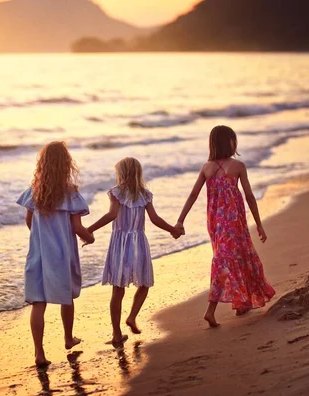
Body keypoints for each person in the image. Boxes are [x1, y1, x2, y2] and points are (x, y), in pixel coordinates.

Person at [175, 125, 275, 327]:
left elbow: (193, 195)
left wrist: (181, 220)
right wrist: (259, 224)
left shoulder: (207, 167)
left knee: (230, 257)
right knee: (229, 258)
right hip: (232, 222)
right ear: (227, 142)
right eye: (233, 139)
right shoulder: (237, 166)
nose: (235, 143)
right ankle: (210, 310)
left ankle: (240, 302)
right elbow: (249, 197)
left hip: (215, 223)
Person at [88, 157, 182, 346]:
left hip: (120, 243)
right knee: (144, 284)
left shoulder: (116, 193)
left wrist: (89, 230)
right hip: (138, 242)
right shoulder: (145, 195)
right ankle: (131, 317)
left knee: (118, 289)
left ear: (121, 174)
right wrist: (172, 229)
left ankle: (116, 333)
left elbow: (111, 215)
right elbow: (155, 219)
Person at [17, 141, 94, 366]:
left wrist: (43, 237)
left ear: (42, 163)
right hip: (62, 254)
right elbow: (77, 227)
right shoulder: (70, 192)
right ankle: (68, 338)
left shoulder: (34, 192)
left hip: (39, 254)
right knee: (66, 297)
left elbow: (29, 222)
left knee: (38, 304)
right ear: (66, 164)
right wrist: (89, 237)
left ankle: (39, 353)